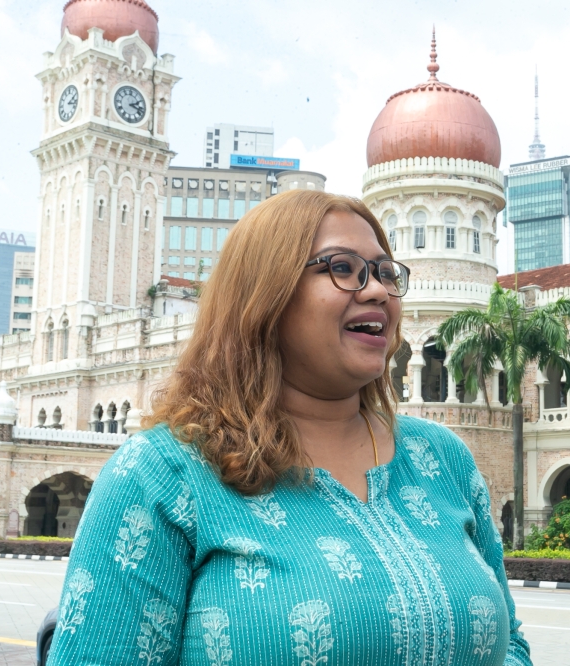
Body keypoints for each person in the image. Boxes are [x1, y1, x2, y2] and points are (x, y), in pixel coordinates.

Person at [48, 190, 532, 665]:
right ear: (265, 296)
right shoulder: (161, 474)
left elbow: (510, 645)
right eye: (342, 268)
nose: (378, 290)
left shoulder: (441, 457)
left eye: (385, 272)